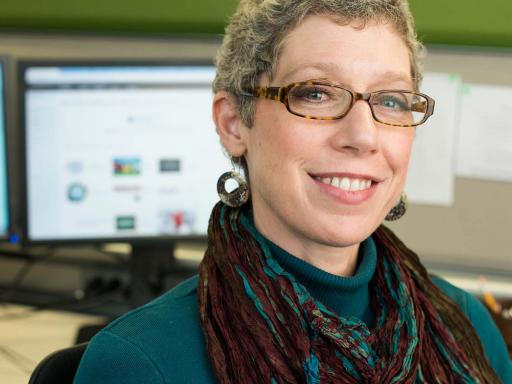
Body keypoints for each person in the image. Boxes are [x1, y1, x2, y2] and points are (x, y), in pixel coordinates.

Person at [74, 0, 512, 382]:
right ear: (234, 123)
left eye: (391, 100)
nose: (363, 136)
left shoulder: (464, 326)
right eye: (316, 93)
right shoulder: (141, 364)